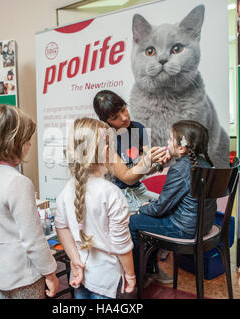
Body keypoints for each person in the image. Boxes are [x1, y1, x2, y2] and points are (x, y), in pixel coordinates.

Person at [0, 104, 59, 299]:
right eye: (27, 140)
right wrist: (50, 273)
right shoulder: (18, 182)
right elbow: (33, 239)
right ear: (13, 142)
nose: (29, 145)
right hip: (24, 277)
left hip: (0, 273)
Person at [55, 117, 136, 299]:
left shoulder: (67, 190)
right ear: (107, 153)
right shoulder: (112, 194)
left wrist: (75, 260)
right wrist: (130, 274)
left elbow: (61, 226)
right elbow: (121, 245)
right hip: (106, 280)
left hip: (80, 275)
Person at [129, 120, 217, 281]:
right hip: (204, 226)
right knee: (152, 216)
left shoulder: (180, 169)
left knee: (134, 221)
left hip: (185, 229)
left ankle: (138, 273)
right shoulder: (204, 164)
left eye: (170, 139)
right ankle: (150, 267)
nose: (167, 143)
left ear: (182, 148)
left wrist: (143, 208)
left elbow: (159, 208)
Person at [93, 90, 166, 214]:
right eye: (115, 117)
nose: (124, 117)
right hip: (114, 195)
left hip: (137, 190)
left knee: (168, 208)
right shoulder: (104, 138)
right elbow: (127, 178)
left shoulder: (138, 128)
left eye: (123, 109)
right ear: (106, 121)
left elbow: (147, 170)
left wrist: (159, 162)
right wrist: (148, 161)